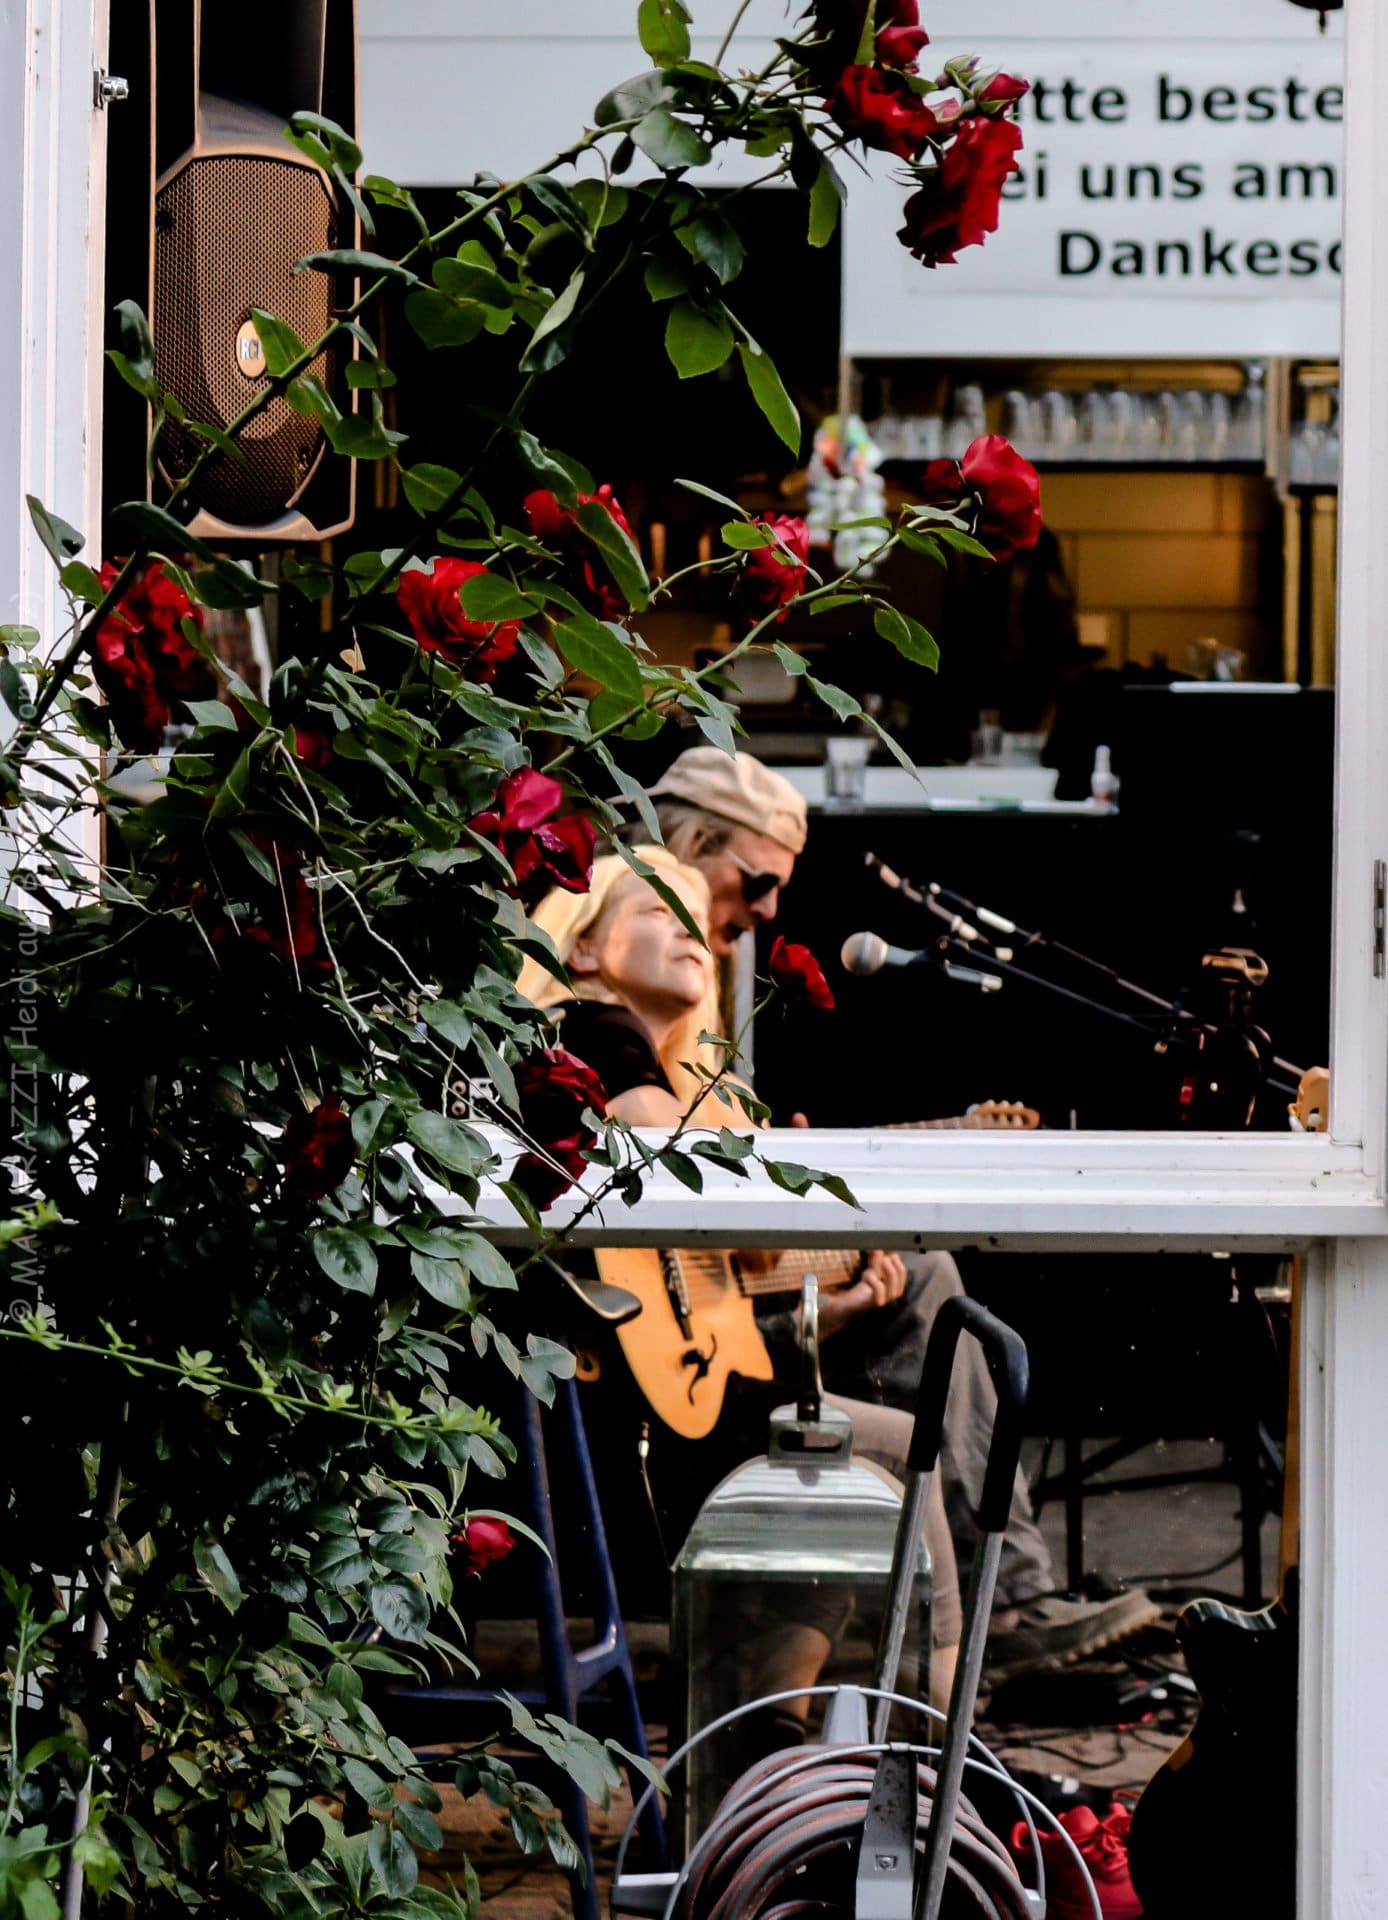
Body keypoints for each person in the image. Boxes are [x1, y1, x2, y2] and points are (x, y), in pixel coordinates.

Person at [646, 747, 1160, 1677]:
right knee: (925, 1282)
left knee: (921, 1275)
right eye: (755, 881)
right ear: (692, 843)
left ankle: (1005, 1603)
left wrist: (786, 1195)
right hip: (670, 1326)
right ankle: (995, 1614)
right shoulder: (643, 950)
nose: (767, 910)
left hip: (719, 1296)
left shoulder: (697, 975)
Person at [515, 848, 962, 1710]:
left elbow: (711, 1303)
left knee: (838, 1489)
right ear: (580, 951)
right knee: (901, 1455)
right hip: (613, 1435)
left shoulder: (642, 1071)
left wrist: (833, 1310)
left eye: (696, 922)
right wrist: (775, 1165)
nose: (691, 936)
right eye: (657, 915)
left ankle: (766, 1734)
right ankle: (947, 1740)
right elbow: (698, 1181)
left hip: (635, 1411)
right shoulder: (593, 1031)